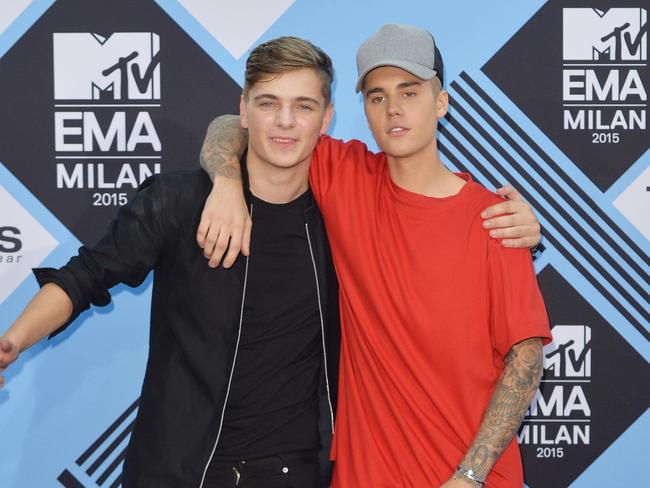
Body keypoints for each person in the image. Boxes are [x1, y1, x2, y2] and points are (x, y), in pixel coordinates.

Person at [197, 24, 551, 487]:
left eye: (410, 91)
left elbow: (525, 358)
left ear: (440, 102)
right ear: (363, 109)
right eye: (378, 96)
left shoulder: (494, 220)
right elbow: (234, 125)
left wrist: (468, 476)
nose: (394, 109)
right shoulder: (344, 175)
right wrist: (225, 183)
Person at [0, 37, 343, 488]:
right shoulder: (179, 202)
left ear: (326, 119)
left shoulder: (344, 216)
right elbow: (84, 277)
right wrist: (12, 341)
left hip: (295, 474)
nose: (284, 121)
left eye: (303, 106)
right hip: (178, 470)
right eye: (268, 103)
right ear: (244, 111)